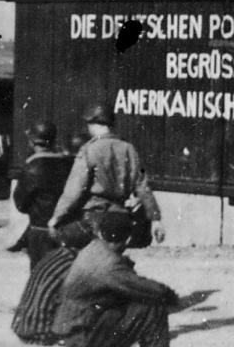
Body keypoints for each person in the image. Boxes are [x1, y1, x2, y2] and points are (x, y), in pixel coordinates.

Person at [47, 103, 165, 248]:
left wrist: (56, 218)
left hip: (94, 219)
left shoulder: (89, 150)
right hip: (121, 220)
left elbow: (74, 190)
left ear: (94, 123)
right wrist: (156, 219)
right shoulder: (128, 149)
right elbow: (143, 187)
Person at [53, 212, 178, 347]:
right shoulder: (111, 265)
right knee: (152, 308)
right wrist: (170, 295)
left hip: (71, 327)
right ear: (128, 239)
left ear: (101, 233)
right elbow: (148, 289)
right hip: (81, 337)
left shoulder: (94, 247)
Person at [14, 121, 75, 269]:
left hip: (40, 232)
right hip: (66, 228)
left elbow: (21, 204)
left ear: (33, 142)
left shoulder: (31, 167)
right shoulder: (68, 162)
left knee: (41, 277)